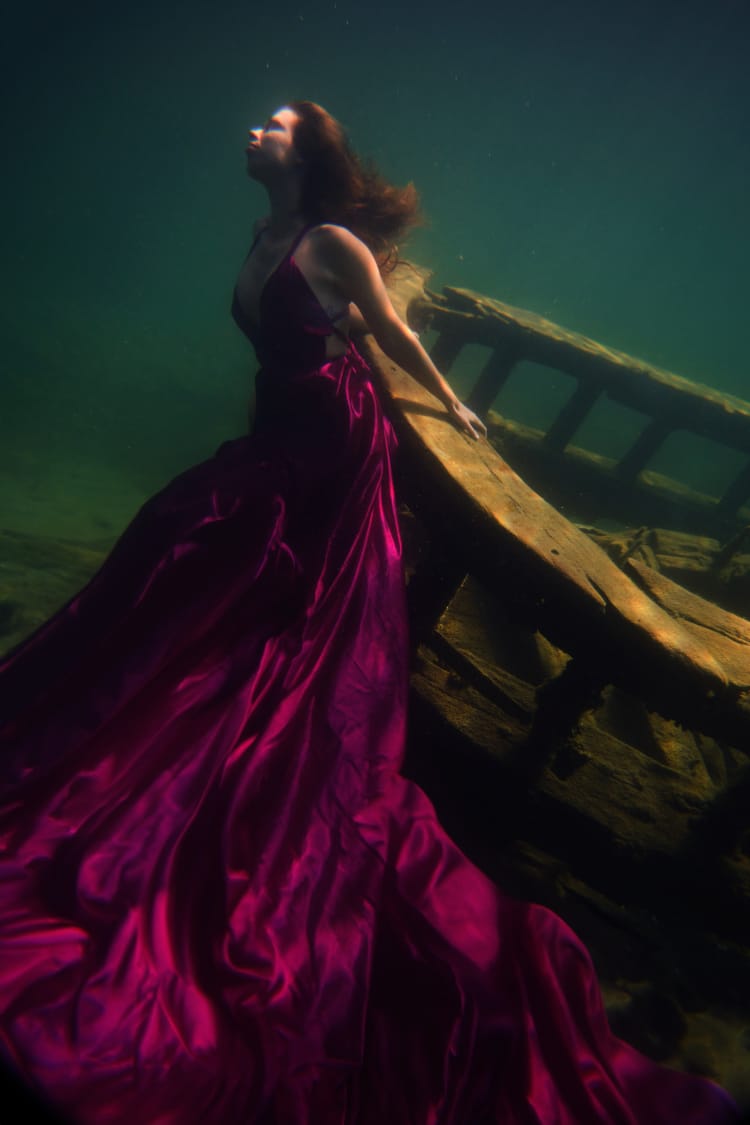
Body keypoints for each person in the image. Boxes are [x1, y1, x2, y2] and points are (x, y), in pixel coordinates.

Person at [0, 100, 738, 1124]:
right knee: (183, 563)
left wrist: (451, 403)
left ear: (309, 153)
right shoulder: (262, 235)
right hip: (281, 440)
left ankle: (238, 743)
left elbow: (388, 330)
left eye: (275, 123)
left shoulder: (331, 242)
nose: (252, 130)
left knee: (247, 595)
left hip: (332, 451)